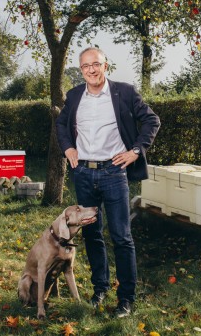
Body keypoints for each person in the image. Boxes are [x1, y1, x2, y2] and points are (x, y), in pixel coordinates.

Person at [55, 47, 160, 318]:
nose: (91, 69)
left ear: (106, 66)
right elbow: (62, 125)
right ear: (81, 70)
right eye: (86, 66)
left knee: (122, 237)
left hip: (113, 173)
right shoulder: (75, 95)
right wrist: (68, 148)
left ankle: (126, 299)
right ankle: (99, 289)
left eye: (96, 64)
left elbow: (151, 120)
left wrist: (135, 150)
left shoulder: (124, 92)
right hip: (84, 174)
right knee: (91, 234)